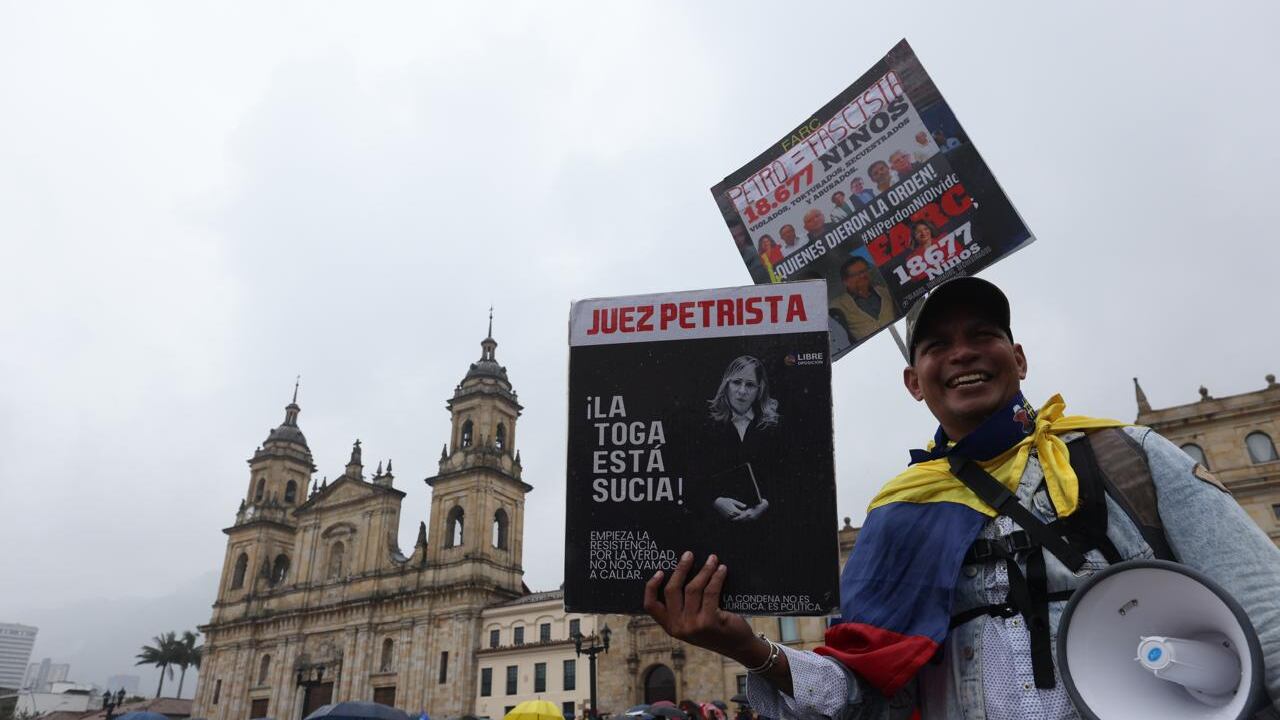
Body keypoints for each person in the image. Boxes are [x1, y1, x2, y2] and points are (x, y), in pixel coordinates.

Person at [643, 277, 1280, 719]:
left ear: (1019, 357)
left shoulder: (1128, 456)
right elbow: (862, 693)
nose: (963, 353)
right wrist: (749, 649)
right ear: (913, 380)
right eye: (936, 346)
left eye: (983, 334)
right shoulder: (896, 517)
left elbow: (1268, 621)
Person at [828, 257, 894, 342]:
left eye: (864, 271)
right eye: (857, 274)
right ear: (846, 282)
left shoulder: (885, 291)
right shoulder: (837, 306)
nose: (863, 275)